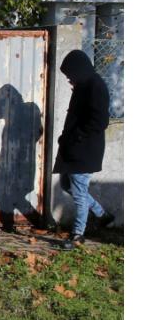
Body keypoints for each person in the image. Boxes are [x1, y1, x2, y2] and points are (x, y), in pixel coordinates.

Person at [53, 50, 115, 250]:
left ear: (78, 69)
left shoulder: (94, 86)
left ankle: (78, 234)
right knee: (68, 185)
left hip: (83, 150)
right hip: (75, 148)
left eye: (70, 73)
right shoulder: (85, 85)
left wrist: (77, 137)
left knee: (79, 192)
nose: (69, 78)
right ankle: (101, 214)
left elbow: (99, 121)